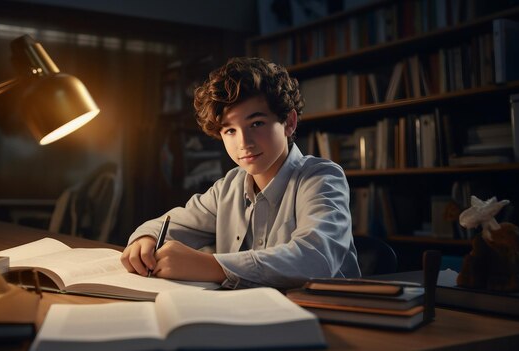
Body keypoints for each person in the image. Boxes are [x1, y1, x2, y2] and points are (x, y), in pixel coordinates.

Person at [121, 57, 360, 289]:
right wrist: (147, 239)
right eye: (230, 131)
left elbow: (316, 259)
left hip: (326, 318)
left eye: (256, 124)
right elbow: (169, 224)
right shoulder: (229, 187)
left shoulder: (322, 178)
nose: (244, 143)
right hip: (249, 316)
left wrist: (212, 266)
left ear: (289, 123)